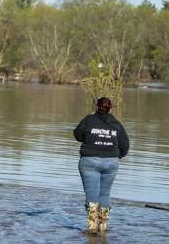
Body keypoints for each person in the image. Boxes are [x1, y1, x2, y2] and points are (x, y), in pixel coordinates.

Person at [72, 97, 129, 234]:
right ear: (110, 109)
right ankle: (103, 227)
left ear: (97, 107)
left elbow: (77, 135)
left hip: (89, 162)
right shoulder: (116, 124)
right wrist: (116, 156)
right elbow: (125, 145)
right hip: (111, 163)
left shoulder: (89, 119)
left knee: (92, 196)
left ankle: (92, 228)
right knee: (104, 195)